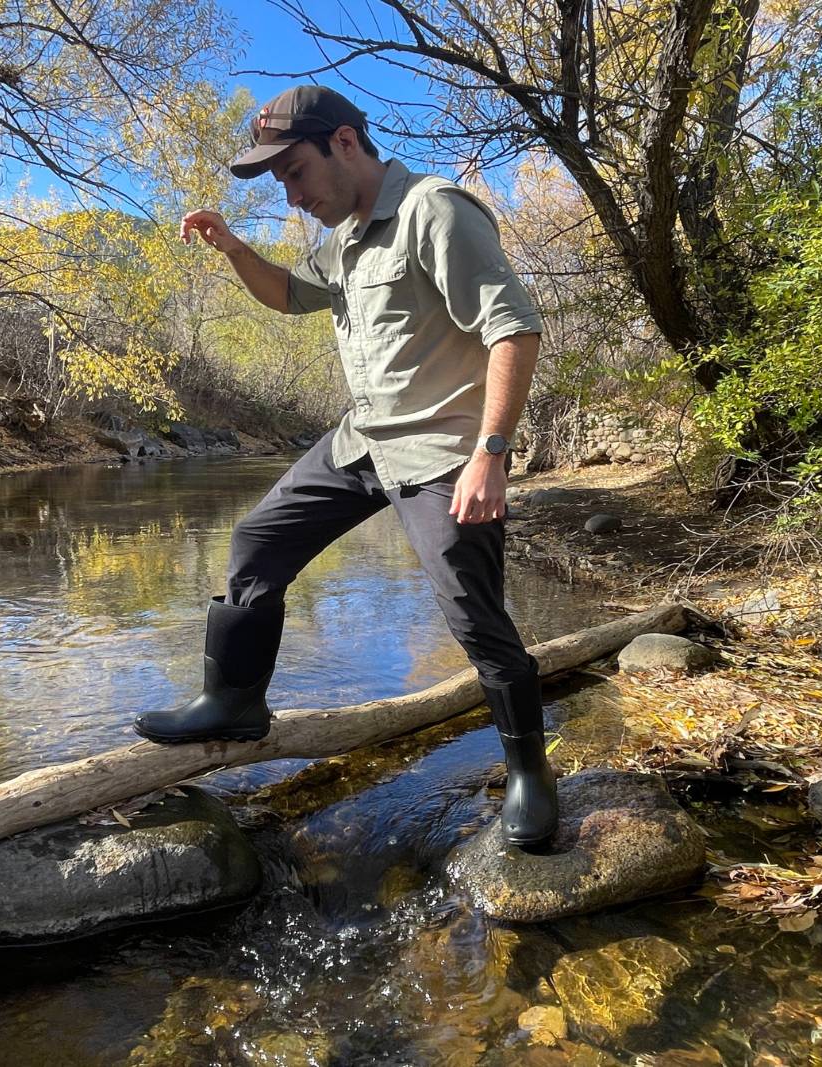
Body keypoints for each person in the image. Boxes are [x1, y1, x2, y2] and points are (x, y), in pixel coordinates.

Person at [133, 85, 558, 851]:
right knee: (257, 542)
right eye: (280, 185)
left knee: (474, 617)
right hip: (361, 441)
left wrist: (491, 455)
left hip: (441, 453)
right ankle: (232, 702)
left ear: (347, 144)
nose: (292, 196)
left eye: (295, 173)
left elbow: (514, 330)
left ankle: (529, 770)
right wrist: (232, 248)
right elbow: (291, 296)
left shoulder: (435, 212)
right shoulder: (344, 235)